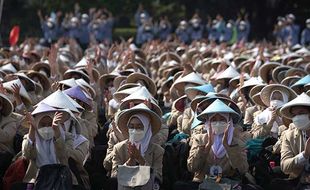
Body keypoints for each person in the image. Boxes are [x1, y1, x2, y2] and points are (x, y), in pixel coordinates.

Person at [110, 103, 164, 189]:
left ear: (147, 128)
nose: (134, 130)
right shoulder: (119, 148)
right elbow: (114, 175)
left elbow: (158, 177)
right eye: (131, 126)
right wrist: (130, 161)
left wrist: (141, 160)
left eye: (139, 127)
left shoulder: (157, 150)